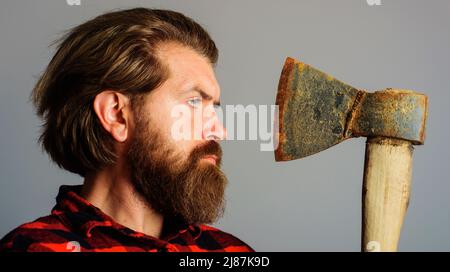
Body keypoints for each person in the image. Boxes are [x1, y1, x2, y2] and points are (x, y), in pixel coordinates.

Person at [0, 7, 254, 252]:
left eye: (213, 108)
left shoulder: (230, 251)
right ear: (117, 115)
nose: (219, 131)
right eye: (194, 102)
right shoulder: (36, 247)